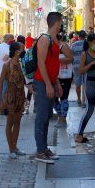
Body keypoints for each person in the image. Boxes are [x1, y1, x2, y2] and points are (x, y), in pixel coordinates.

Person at [33, 12, 63, 164]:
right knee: (42, 117)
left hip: (49, 82)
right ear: (57, 23)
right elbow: (41, 63)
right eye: (61, 22)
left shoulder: (54, 40)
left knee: (46, 118)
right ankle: (40, 151)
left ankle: (44, 149)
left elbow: (52, 65)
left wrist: (56, 83)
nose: (61, 25)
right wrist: (48, 84)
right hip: (42, 83)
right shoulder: (45, 39)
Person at [0, 42, 26, 159]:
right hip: (10, 97)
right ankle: (11, 148)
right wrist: (0, 100)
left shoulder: (20, 64)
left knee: (18, 122)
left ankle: (15, 146)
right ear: (16, 51)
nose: (23, 51)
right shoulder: (7, 65)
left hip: (20, 96)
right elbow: (1, 83)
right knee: (10, 123)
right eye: (22, 49)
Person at [54, 33, 73, 128]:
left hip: (65, 76)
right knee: (53, 98)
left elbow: (71, 59)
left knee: (63, 98)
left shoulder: (63, 46)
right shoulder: (52, 47)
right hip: (55, 76)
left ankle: (62, 119)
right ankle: (61, 116)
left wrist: (56, 60)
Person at [71, 30, 87, 107]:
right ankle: (84, 101)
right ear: (85, 36)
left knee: (78, 84)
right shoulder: (87, 44)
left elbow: (70, 55)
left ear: (79, 37)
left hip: (76, 66)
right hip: (85, 66)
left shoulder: (74, 45)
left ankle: (78, 100)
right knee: (84, 83)